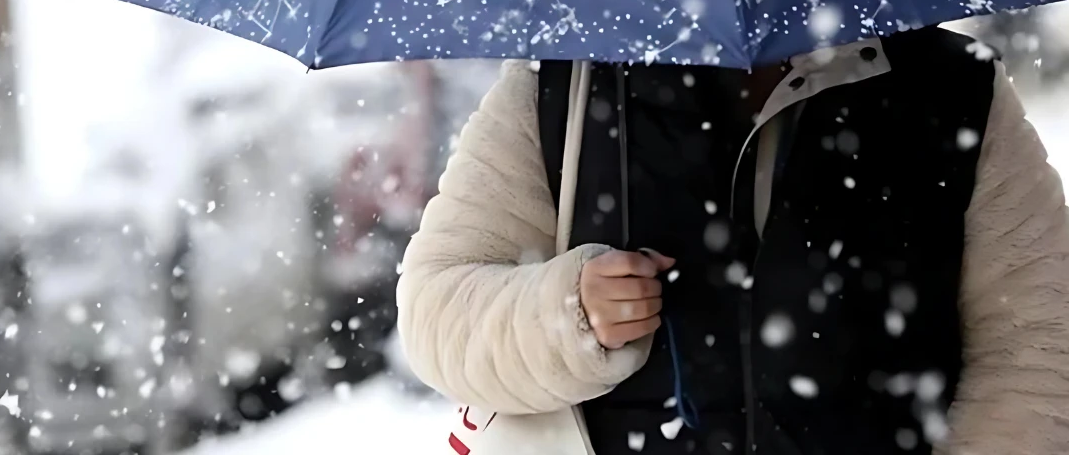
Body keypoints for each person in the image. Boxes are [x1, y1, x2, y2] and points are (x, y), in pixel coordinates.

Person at [396, 27, 1069, 455]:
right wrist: (568, 311)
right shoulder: (564, 86)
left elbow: (1039, 345)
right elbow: (437, 311)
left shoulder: (951, 91)